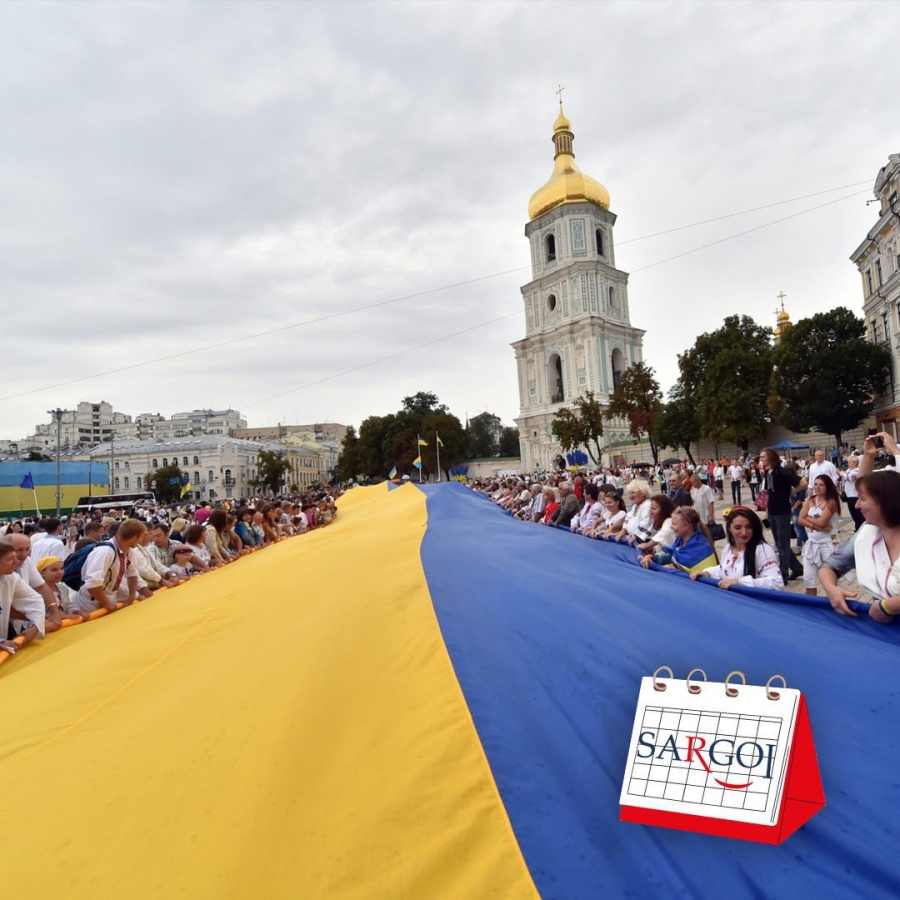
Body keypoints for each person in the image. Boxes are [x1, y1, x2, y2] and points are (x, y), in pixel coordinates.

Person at [820, 432, 900, 622]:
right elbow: (828, 567)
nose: (856, 506)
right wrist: (832, 590)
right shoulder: (867, 534)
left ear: (886, 502)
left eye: (862, 499)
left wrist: (888, 606)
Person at [690, 506, 784, 591]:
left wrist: (739, 582)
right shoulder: (728, 548)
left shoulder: (763, 550)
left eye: (749, 527)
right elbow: (724, 569)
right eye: (738, 528)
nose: (744, 532)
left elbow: (777, 583)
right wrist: (707, 573)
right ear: (730, 528)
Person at [68, 518, 146, 614]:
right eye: (141, 537)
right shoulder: (105, 552)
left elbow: (132, 574)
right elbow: (92, 584)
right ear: (134, 537)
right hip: (87, 605)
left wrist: (132, 596)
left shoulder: (128, 551)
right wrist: (107, 603)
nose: (141, 540)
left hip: (106, 600)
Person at [760, 447, 805, 583]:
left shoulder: (783, 472)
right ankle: (797, 568)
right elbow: (770, 493)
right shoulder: (768, 473)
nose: (761, 459)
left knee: (784, 544)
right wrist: (767, 509)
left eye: (763, 456)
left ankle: (783, 574)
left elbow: (803, 483)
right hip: (773, 511)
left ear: (770, 457)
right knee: (779, 544)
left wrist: (791, 493)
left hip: (783, 512)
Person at [798, 475, 841, 596]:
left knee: (830, 579)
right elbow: (800, 519)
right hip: (812, 542)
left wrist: (807, 518)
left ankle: (834, 604)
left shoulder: (831, 501)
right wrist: (814, 526)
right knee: (808, 578)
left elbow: (823, 522)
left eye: (821, 485)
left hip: (827, 543)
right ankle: (811, 606)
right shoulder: (810, 500)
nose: (818, 487)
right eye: (816, 484)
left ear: (827, 487)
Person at [0, 538, 45, 652]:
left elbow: (34, 600)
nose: (16, 561)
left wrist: (35, 626)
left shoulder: (10, 578)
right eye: (10, 559)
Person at [643, 506, 718, 573]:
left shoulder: (700, 547)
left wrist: (674, 568)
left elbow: (692, 573)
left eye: (674, 524)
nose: (671, 527)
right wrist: (652, 557)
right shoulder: (679, 541)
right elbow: (670, 555)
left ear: (686, 525)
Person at [619, 480, 653, 544]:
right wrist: (623, 530)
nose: (630, 495)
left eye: (633, 492)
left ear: (643, 493)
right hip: (634, 540)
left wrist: (635, 536)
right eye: (629, 493)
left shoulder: (647, 505)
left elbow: (646, 522)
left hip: (644, 542)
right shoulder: (635, 506)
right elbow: (628, 518)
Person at [844, 455, 865, 531]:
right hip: (849, 495)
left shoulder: (857, 471)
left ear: (855, 463)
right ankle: (857, 526)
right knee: (853, 513)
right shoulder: (848, 470)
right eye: (848, 462)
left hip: (855, 495)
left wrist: (840, 473)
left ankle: (861, 527)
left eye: (850, 462)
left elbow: (850, 478)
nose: (848, 464)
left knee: (858, 513)